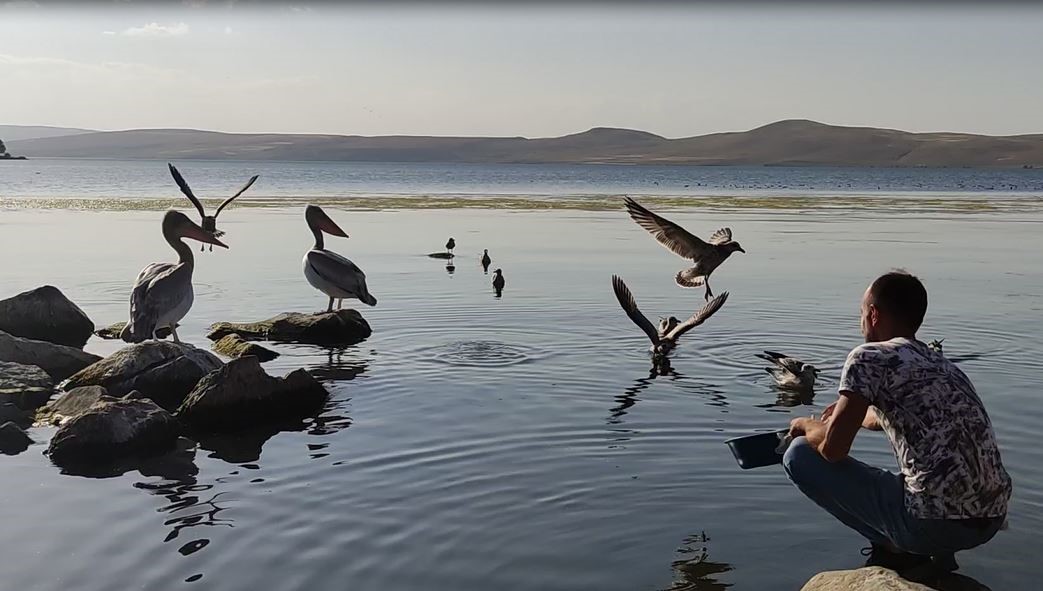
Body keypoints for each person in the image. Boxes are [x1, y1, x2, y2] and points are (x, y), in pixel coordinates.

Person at [783, 270, 1011, 578]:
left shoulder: (867, 357)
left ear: (874, 315)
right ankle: (939, 560)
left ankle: (895, 548)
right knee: (928, 476)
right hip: (991, 518)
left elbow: (833, 450)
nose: (861, 321)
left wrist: (805, 425)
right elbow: (888, 415)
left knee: (798, 454)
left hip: (931, 525)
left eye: (862, 313)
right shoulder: (943, 366)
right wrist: (852, 413)